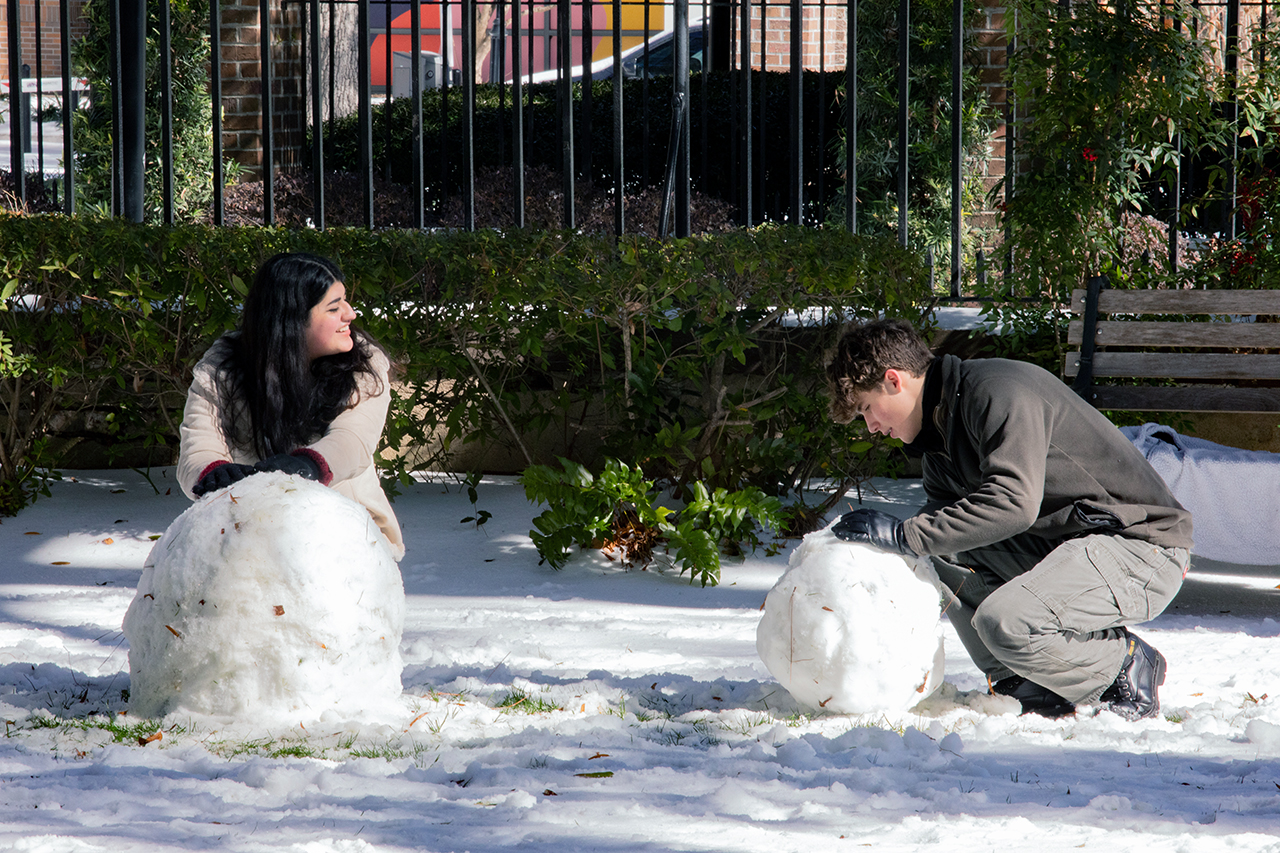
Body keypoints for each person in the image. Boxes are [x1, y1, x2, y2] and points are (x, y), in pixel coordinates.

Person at [824, 318, 1192, 720]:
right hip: (1073, 549)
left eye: (866, 409)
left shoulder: (998, 390)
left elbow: (1013, 503)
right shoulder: (939, 439)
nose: (872, 426)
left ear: (894, 381)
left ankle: (1124, 664)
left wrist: (904, 534)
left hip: (1144, 548)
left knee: (1006, 622)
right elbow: (943, 529)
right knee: (942, 551)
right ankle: (1022, 681)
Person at [177, 252, 404, 561]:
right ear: (292, 320)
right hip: (254, 539)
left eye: (345, 302)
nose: (350, 314)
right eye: (334, 308)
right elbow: (199, 441)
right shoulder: (223, 370)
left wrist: (309, 466)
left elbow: (353, 440)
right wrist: (214, 473)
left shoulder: (364, 367)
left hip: (351, 540)